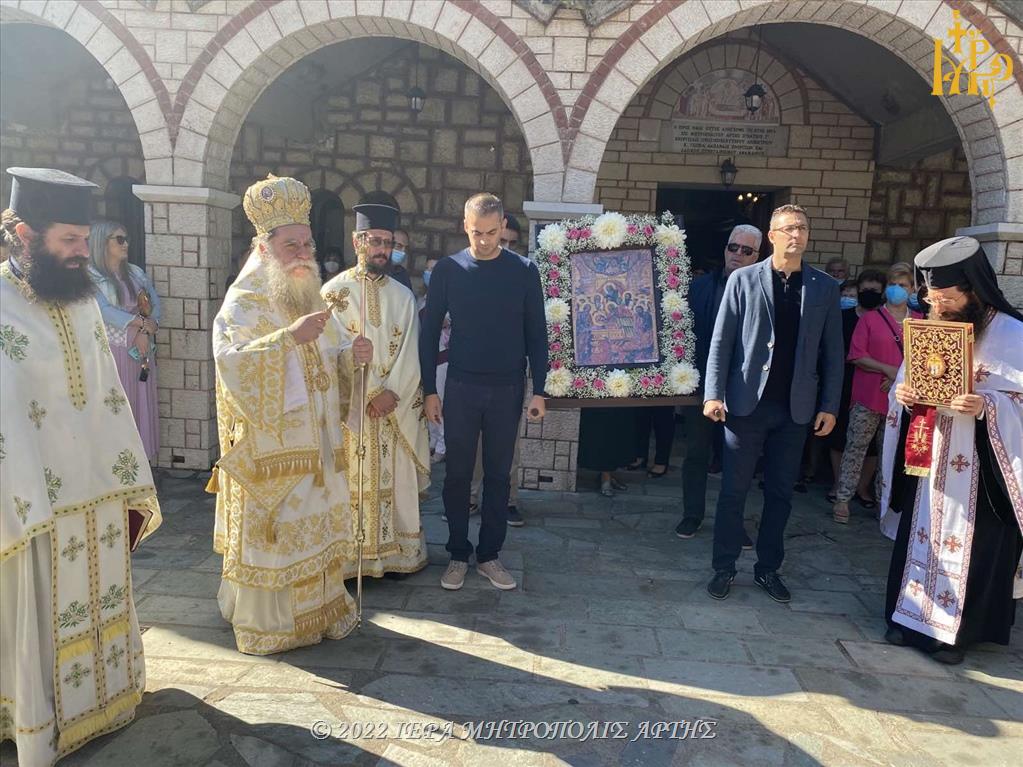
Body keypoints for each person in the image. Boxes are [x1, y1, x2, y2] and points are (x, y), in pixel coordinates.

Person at [1, 167, 162, 764]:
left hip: (96, 486)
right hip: (34, 494)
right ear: (24, 234)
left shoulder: (83, 298)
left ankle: (106, 701)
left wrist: (128, 480)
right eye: (68, 240)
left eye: (83, 240)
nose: (80, 253)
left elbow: (107, 393)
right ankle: (39, 720)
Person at [210, 174, 371, 655]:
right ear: (264, 248)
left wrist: (352, 356)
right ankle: (273, 625)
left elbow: (330, 362)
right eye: (291, 245)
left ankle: (325, 610)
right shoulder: (243, 303)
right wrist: (287, 338)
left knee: (318, 529)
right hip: (273, 455)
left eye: (308, 244)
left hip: (319, 449)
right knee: (278, 538)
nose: (303, 254)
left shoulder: (310, 296)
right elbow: (231, 363)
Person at [881, 236, 1023, 665]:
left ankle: (954, 635)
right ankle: (909, 619)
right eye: (931, 297)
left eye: (947, 297)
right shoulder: (930, 327)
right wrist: (903, 396)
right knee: (920, 535)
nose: (937, 305)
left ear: (974, 290)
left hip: (985, 469)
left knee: (975, 547)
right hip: (931, 458)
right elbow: (905, 382)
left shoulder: (1014, 334)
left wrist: (987, 406)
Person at [704, 204, 843, 602]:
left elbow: (833, 352)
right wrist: (713, 393)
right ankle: (724, 566)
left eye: (802, 228)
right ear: (772, 236)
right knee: (734, 491)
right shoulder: (744, 280)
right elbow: (722, 341)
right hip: (746, 405)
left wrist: (830, 405)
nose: (796, 235)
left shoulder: (824, 287)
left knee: (780, 494)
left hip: (795, 409)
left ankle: (768, 568)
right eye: (788, 229)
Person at [420, 193, 547, 591]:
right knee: (457, 474)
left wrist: (540, 390)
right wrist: (429, 390)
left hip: (507, 388)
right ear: (465, 226)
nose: (485, 241)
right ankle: (458, 554)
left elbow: (537, 333)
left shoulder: (524, 271)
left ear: (502, 225)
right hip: (461, 386)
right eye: (477, 233)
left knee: (497, 474)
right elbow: (428, 333)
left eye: (492, 233)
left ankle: (490, 555)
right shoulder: (448, 270)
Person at [322, 203, 430, 579]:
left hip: (391, 412)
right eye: (376, 241)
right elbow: (321, 353)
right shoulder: (332, 293)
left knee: (394, 480)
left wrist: (390, 393)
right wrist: (361, 382)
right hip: (350, 411)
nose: (383, 249)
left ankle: (396, 554)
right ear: (358, 242)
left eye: (388, 243)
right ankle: (350, 560)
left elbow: (412, 353)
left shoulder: (403, 297)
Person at [675, 224, 760, 540]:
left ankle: (733, 523)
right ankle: (692, 515)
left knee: (737, 462)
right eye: (733, 247)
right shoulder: (699, 287)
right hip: (700, 386)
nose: (737, 254)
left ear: (757, 256)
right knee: (696, 453)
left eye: (746, 250)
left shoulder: (762, 291)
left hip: (742, 390)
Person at [832, 263, 921, 523]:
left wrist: (897, 378)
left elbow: (925, 361)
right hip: (868, 396)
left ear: (912, 289)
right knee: (855, 448)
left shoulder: (919, 322)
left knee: (890, 454)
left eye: (903, 285)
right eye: (893, 284)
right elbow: (857, 355)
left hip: (900, 399)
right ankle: (843, 498)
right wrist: (889, 370)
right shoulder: (870, 319)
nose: (897, 289)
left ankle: (884, 504)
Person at [88, 220, 161, 462]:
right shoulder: (91, 277)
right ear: (102, 243)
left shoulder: (135, 273)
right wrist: (141, 324)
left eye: (126, 238)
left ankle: (142, 464)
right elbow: (103, 310)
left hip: (140, 349)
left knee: (140, 401)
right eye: (119, 239)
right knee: (119, 403)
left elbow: (154, 303)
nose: (125, 244)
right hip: (113, 351)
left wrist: (148, 328)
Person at [825, 269, 886, 504]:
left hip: (876, 383)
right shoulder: (844, 317)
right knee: (840, 435)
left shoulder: (884, 319)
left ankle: (862, 487)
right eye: (865, 289)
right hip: (845, 380)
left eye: (875, 290)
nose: (869, 293)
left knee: (871, 444)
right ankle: (838, 482)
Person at [418, 257, 450, 465]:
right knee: (427, 401)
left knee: (440, 402)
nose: (430, 273)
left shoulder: (451, 299)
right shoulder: (421, 300)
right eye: (428, 269)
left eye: (435, 269)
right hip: (426, 359)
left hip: (443, 359)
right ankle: (432, 441)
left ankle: (442, 446)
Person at [390, 228, 414, 292]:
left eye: (406, 248)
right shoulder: (376, 271)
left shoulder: (403, 274)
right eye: (399, 246)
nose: (403, 251)